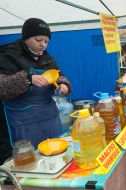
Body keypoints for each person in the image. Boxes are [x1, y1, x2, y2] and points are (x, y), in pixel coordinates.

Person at [0, 18, 72, 160]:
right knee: (27, 160)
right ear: (26, 37)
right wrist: (27, 79)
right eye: (38, 40)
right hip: (21, 122)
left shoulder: (48, 59)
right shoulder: (8, 55)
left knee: (54, 156)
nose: (43, 45)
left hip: (49, 119)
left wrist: (64, 85)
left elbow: (60, 76)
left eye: (46, 41)